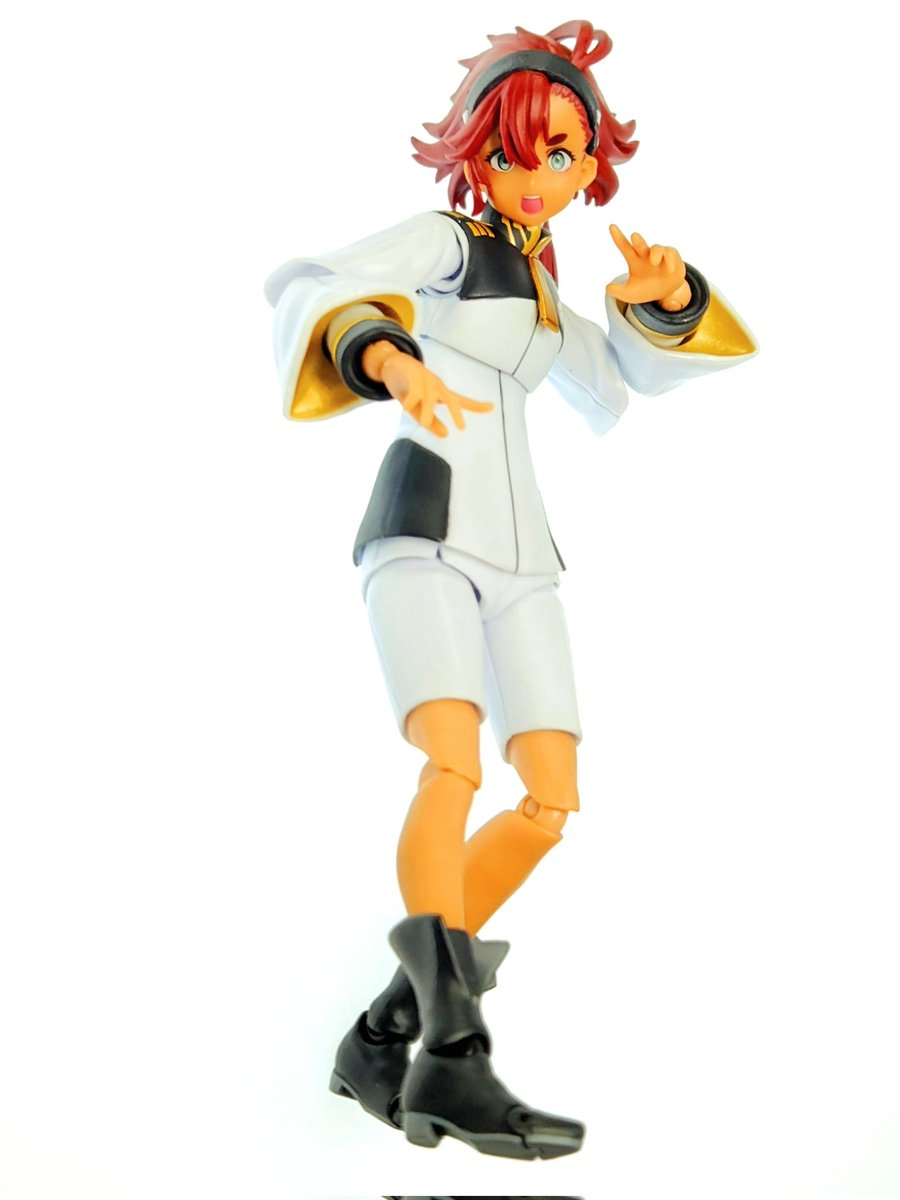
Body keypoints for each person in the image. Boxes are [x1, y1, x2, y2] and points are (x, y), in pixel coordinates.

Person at [265, 19, 756, 1159]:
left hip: (525, 554)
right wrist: (388, 358)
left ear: (591, 168)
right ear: (476, 152)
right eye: (516, 150)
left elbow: (614, 381)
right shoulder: (447, 242)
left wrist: (666, 297)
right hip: (427, 523)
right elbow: (320, 284)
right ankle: (454, 1049)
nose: (540, 174)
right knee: (452, 762)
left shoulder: (538, 291)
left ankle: (383, 1038)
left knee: (549, 801)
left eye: (565, 153)